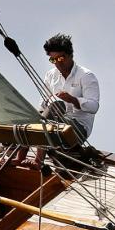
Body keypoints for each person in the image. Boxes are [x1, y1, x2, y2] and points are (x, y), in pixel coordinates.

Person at [15, 33, 100, 166]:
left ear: (70, 55)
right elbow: (42, 107)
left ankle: (38, 160)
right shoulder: (50, 75)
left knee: (56, 106)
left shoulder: (86, 76)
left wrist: (73, 100)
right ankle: (20, 156)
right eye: (53, 60)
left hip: (77, 129)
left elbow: (94, 106)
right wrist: (46, 101)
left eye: (60, 58)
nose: (57, 63)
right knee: (31, 114)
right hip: (53, 127)